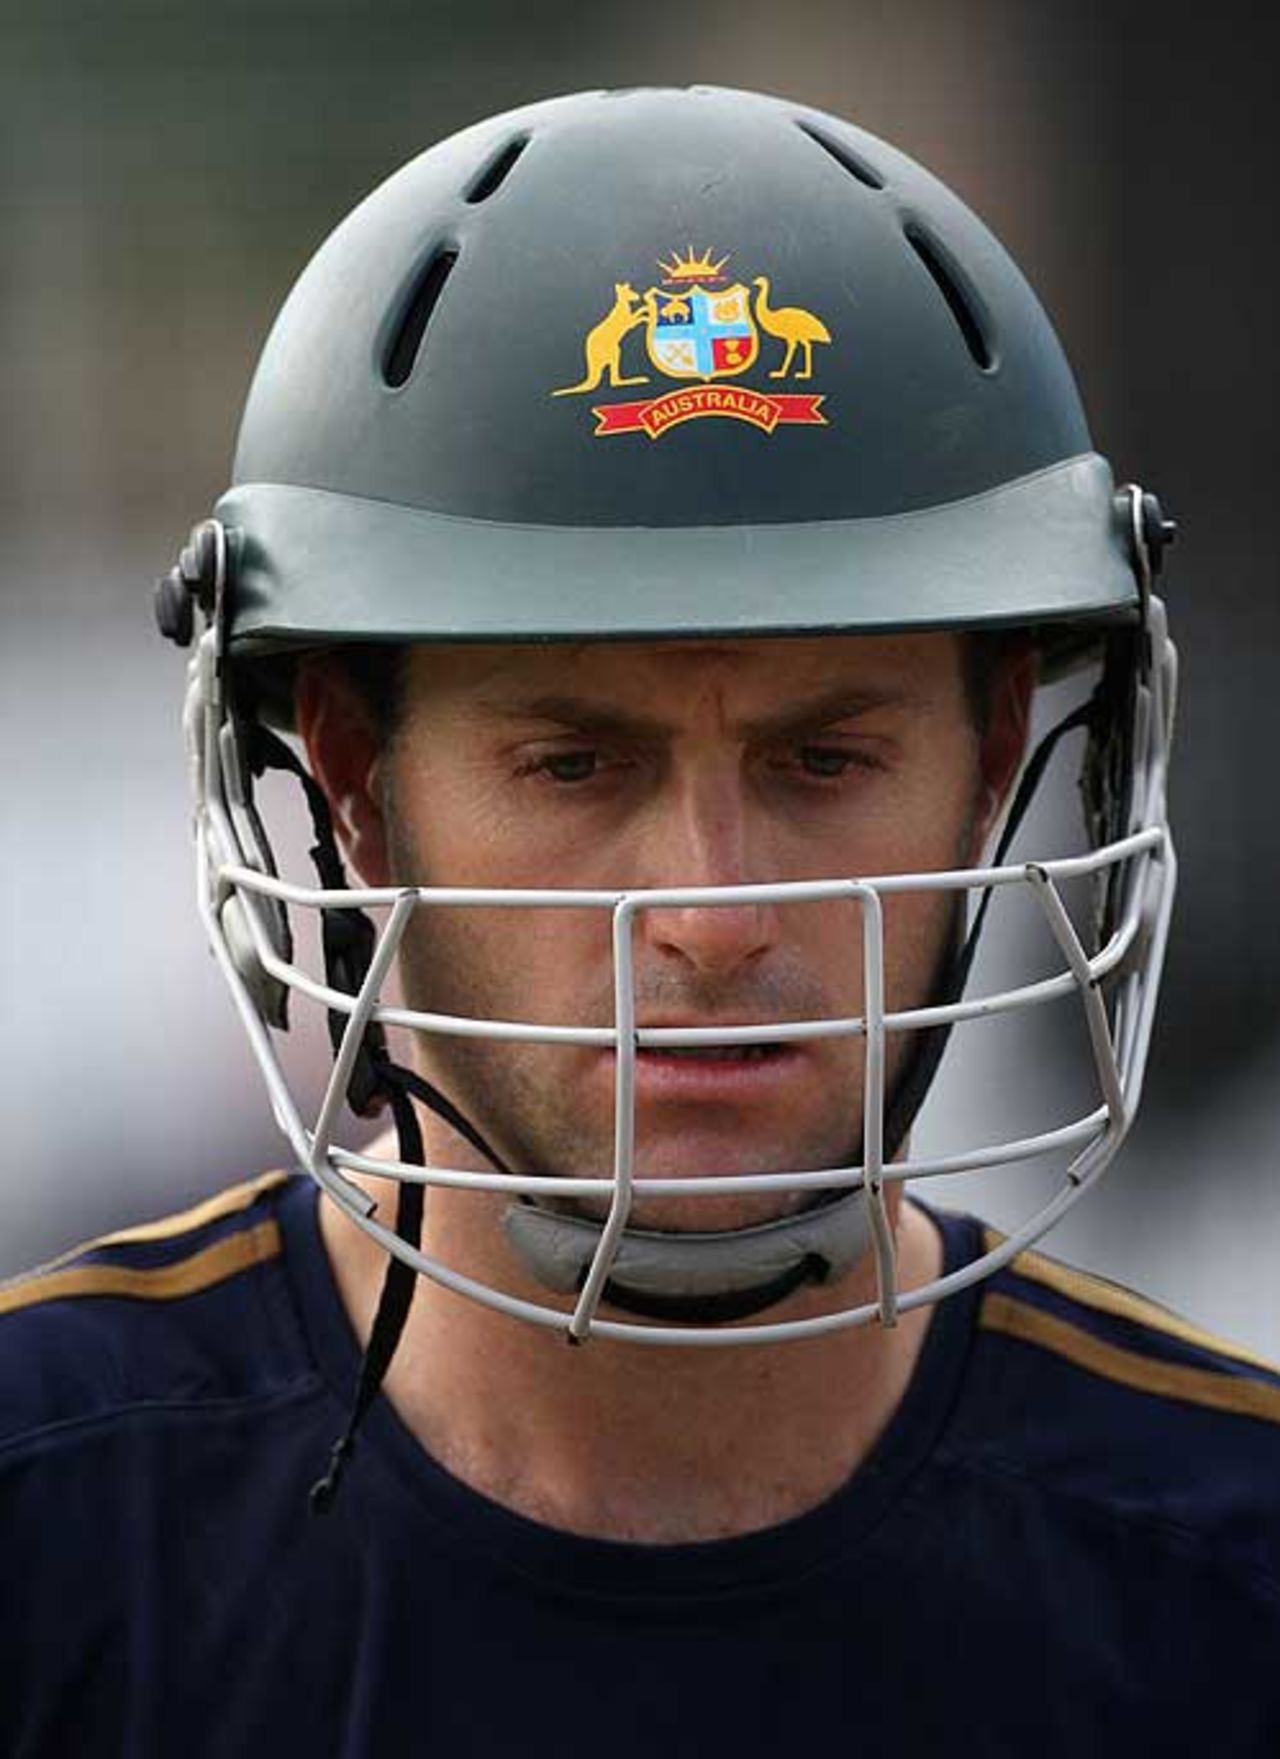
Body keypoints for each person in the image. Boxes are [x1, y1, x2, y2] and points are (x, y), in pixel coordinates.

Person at [2, 86, 1277, 1753]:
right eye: (575, 764)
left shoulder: (1231, 1572)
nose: (712, 913)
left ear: (988, 774)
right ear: (354, 784)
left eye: (825, 760)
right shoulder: (48, 1526)